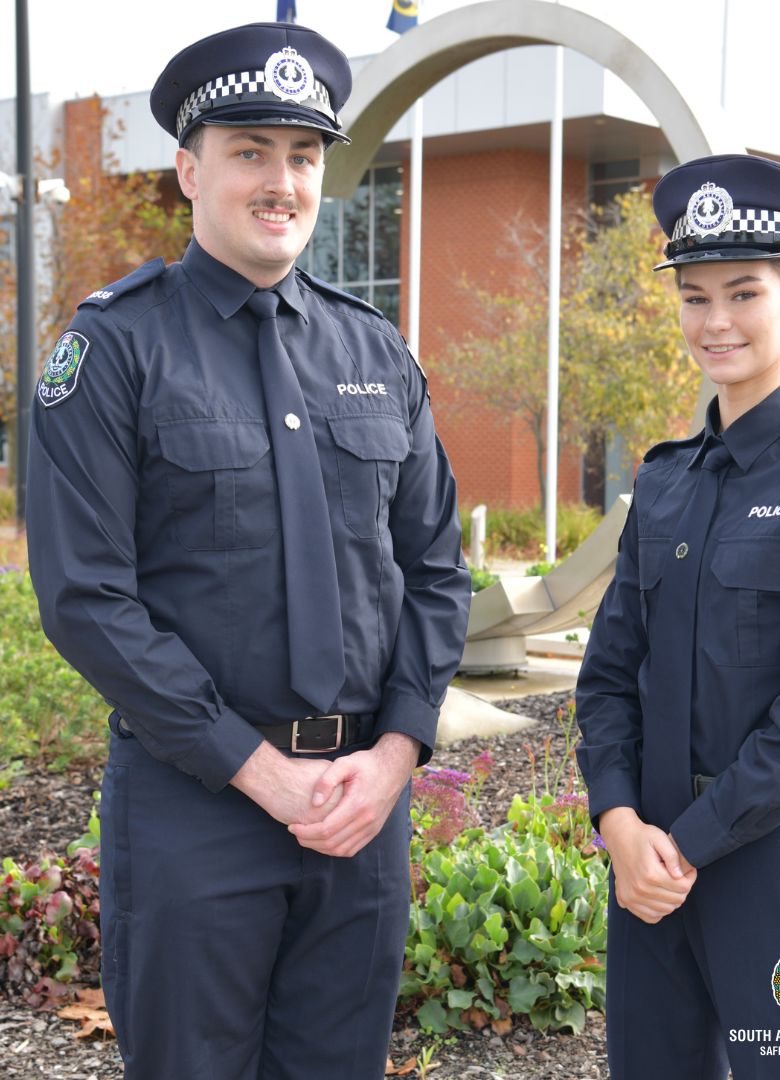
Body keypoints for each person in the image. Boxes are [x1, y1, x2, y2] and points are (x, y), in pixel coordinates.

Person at [26, 22, 471, 1080]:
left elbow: (438, 571)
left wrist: (398, 753)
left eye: (303, 156)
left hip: (363, 804)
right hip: (199, 809)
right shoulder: (112, 350)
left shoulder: (376, 353)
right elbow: (88, 600)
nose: (282, 181)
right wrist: (260, 772)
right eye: (250, 152)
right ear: (189, 169)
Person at [575, 154, 780, 1079]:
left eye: (744, 293)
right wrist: (619, 823)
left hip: (772, 863)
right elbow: (606, 678)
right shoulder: (666, 477)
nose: (715, 321)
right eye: (695, 296)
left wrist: (682, 844)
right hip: (649, 873)